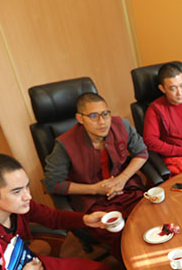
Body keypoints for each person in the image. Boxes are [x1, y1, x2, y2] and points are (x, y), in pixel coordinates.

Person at [42, 92, 148, 256]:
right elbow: (52, 183)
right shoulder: (65, 144)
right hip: (92, 199)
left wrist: (123, 178)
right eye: (93, 116)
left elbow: (141, 153)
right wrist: (94, 189)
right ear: (80, 118)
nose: (102, 122)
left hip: (124, 188)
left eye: (105, 114)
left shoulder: (121, 125)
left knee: (148, 216)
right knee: (119, 231)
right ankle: (133, 269)